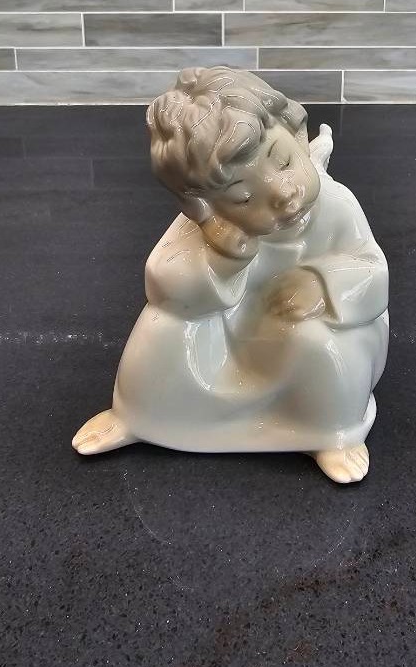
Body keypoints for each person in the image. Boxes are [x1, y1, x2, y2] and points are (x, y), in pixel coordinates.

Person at [72, 67, 389, 483]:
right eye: (243, 196)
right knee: (165, 325)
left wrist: (324, 285)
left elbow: (371, 268)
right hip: (233, 341)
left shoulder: (336, 205)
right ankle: (140, 416)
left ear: (298, 135)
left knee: (318, 343)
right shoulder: (211, 230)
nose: (283, 193)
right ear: (204, 208)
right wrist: (221, 260)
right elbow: (163, 283)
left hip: (297, 333)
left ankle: (330, 432)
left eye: (284, 161)